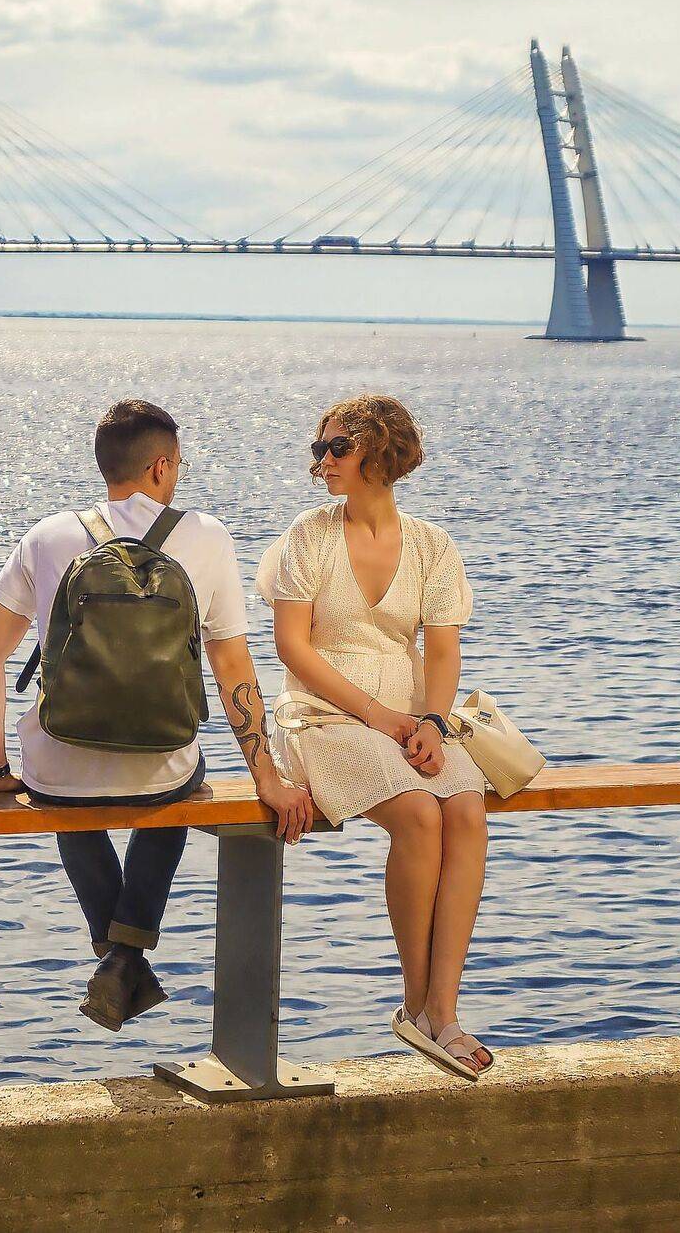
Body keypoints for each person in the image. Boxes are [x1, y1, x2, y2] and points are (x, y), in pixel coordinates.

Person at [0, 399, 312, 1034]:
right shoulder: (207, 536)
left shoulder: (48, 537)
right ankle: (125, 954)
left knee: (61, 784)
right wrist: (266, 776)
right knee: (182, 779)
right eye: (178, 464)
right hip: (162, 770)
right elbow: (233, 665)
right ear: (160, 466)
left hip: (57, 771)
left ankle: (117, 955)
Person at [256, 394, 493, 1081]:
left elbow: (442, 651)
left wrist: (433, 723)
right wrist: (381, 717)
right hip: (322, 717)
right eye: (320, 448)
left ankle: (444, 1011)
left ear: (379, 453)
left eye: (339, 447)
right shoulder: (308, 537)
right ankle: (416, 1006)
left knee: (466, 810)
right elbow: (292, 648)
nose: (323, 460)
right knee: (420, 813)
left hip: (413, 721)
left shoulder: (431, 546)